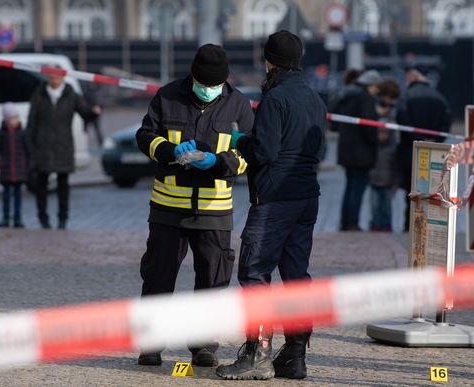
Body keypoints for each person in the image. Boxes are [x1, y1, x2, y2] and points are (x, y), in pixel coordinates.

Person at [216, 30, 326, 381]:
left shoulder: (274, 99)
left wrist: (241, 141)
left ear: (269, 61)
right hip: (306, 198)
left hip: (274, 199)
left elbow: (264, 152)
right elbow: (320, 152)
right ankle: (294, 356)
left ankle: (257, 355)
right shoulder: (314, 99)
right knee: (296, 277)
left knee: (254, 273)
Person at [135, 44, 252, 367]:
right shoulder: (168, 96)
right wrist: (170, 151)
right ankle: (151, 344)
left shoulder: (240, 106)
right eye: (203, 83)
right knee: (158, 276)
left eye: (214, 84)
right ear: (193, 76)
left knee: (212, 280)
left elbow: (249, 156)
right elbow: (145, 136)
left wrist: (218, 161)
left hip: (214, 209)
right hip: (167, 207)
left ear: (225, 80)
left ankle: (203, 345)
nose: (208, 89)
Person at [25, 70, 101, 229]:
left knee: (63, 185)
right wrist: (30, 147)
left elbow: (85, 113)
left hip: (63, 146)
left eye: (56, 77)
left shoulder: (71, 95)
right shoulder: (39, 94)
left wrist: (94, 113)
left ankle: (62, 218)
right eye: (51, 77)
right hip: (42, 146)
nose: (53, 80)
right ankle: (43, 218)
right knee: (41, 184)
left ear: (62, 77)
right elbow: (31, 122)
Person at [396, 67, 451, 232]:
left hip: (411, 151)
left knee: (411, 190)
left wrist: (417, 140)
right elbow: (446, 122)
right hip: (434, 151)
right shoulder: (440, 97)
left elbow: (402, 121)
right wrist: (435, 140)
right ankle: (428, 226)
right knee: (430, 190)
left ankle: (410, 225)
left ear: (413, 76)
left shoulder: (406, 97)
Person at [336, 69, 382, 231]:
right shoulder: (365, 99)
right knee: (358, 188)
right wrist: (376, 139)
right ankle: (353, 223)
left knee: (349, 187)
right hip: (362, 151)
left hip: (346, 149)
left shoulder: (346, 95)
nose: (377, 92)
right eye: (376, 88)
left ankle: (345, 221)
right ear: (370, 85)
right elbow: (369, 127)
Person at [369, 80, 400, 232]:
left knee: (386, 203)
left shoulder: (391, 148)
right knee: (375, 203)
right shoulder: (375, 108)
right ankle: (376, 223)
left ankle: (385, 224)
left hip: (386, 171)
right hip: (376, 172)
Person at [0, 103, 29, 228]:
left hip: (19, 170)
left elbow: (28, 150)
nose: (15, 120)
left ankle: (17, 218)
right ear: (7, 120)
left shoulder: (22, 133)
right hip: (6, 170)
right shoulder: (1, 134)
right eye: (12, 118)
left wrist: (29, 165)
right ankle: (6, 217)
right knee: (6, 197)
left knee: (18, 196)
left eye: (16, 117)